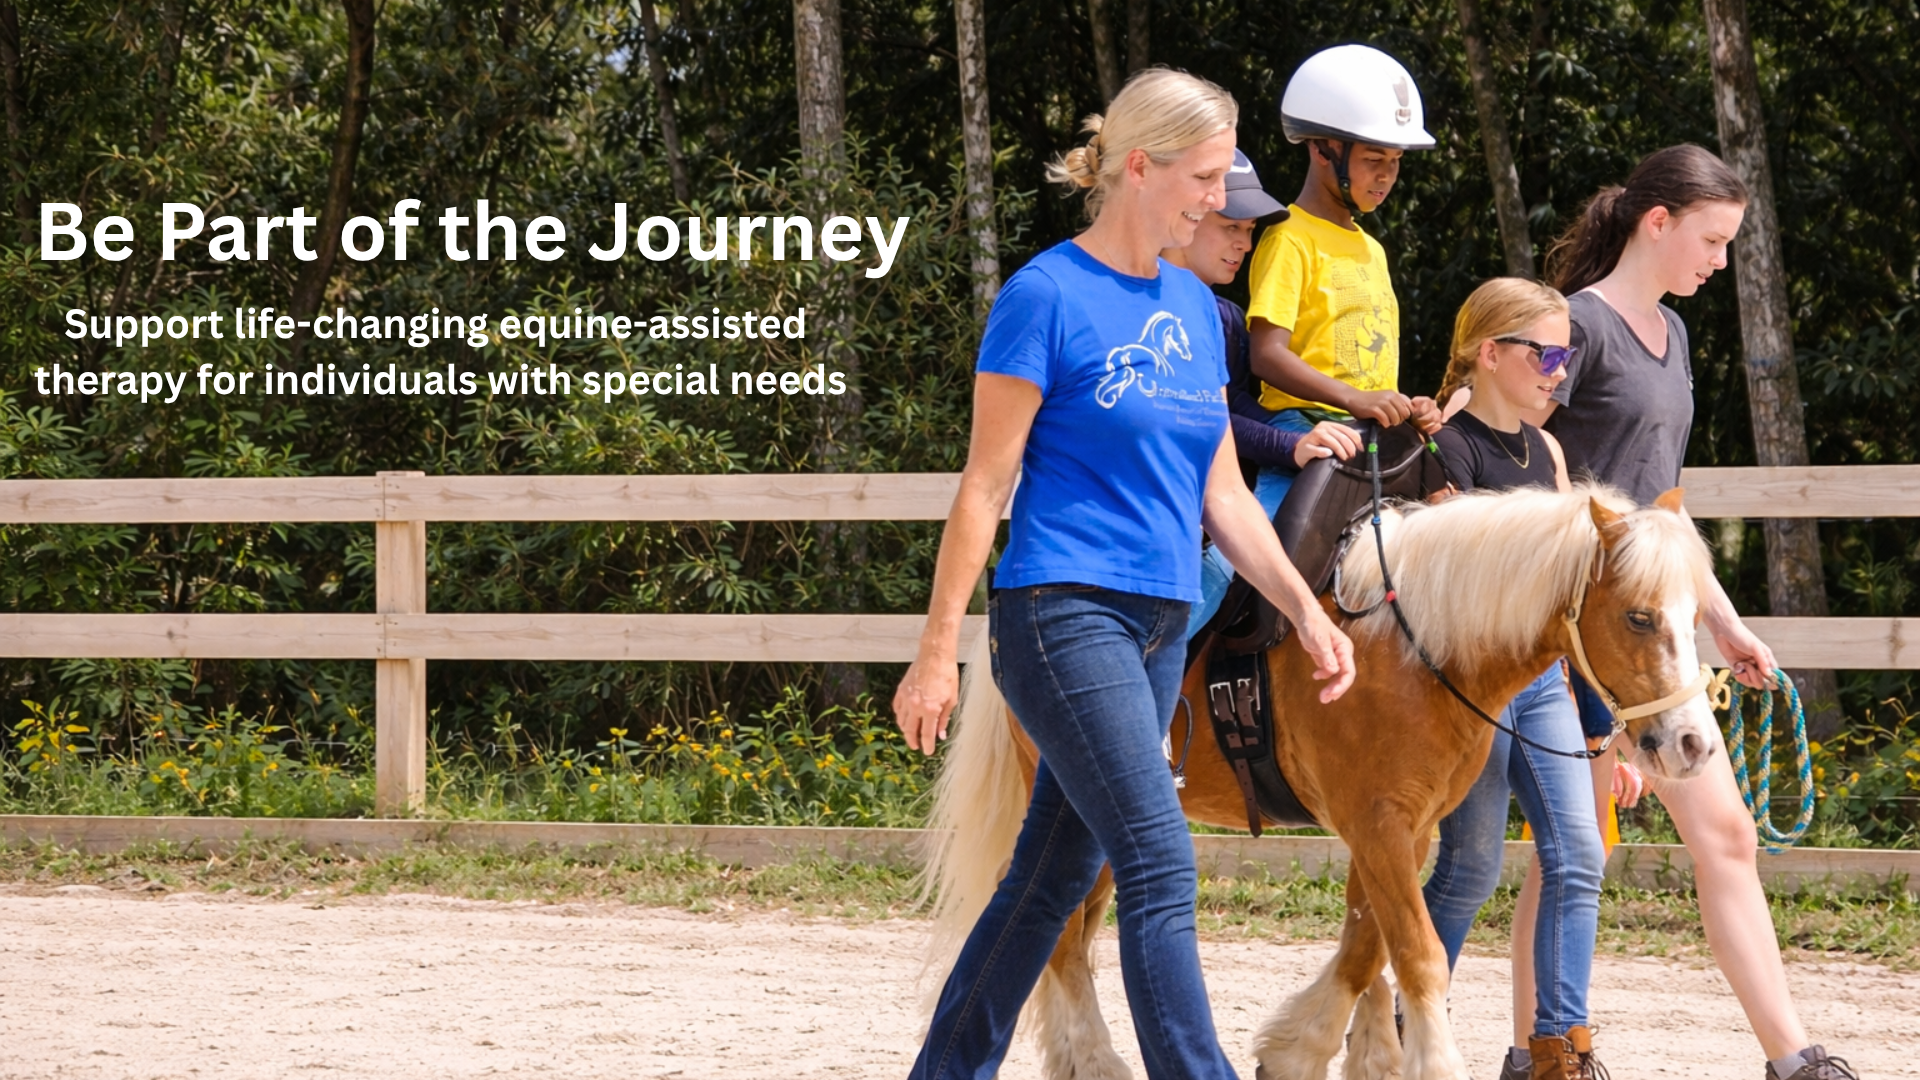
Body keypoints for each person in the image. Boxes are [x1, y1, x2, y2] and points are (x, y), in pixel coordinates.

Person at [891, 69, 1356, 1080]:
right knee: (1158, 857)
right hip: (1062, 613)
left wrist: (1305, 615)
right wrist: (934, 658)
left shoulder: (1193, 309)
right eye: (1202, 177)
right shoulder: (1045, 296)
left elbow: (1225, 498)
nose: (1216, 199)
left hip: (1158, 623)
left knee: (1049, 876)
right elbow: (983, 488)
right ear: (1139, 169)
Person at [1478, 144, 1858, 1080]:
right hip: (1579, 639)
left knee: (1715, 836)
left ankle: (1794, 1057)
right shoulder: (1577, 328)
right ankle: (1540, 1056)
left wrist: (1720, 621)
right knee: (1575, 849)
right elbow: (1491, 425)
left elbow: (1662, 507)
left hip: (1658, 633)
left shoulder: (1674, 336)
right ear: (1658, 222)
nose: (1720, 262)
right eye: (1712, 240)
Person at [1416, 278, 1613, 1080]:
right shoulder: (1445, 447)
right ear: (1490, 354)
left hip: (1539, 685)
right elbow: (1457, 589)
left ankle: (1558, 1048)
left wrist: (1597, 715)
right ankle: (1406, 1026)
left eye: (1567, 355)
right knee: (1467, 872)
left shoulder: (1551, 452)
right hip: (1472, 690)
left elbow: (1572, 595)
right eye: (1548, 353)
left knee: (1581, 854)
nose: (1560, 371)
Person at [1186, 44, 1441, 633]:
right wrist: (1355, 402)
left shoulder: (1374, 249)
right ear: (1325, 152)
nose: (1387, 175)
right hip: (1302, 430)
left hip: (1370, 434)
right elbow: (1266, 354)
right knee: (1234, 558)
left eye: (1396, 162)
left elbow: (1365, 364)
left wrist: (1404, 403)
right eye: (1374, 158)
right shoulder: (1287, 238)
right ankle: (1155, 652)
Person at [1160, 148, 1363, 638]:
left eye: (1250, 232)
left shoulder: (1227, 317)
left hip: (1201, 500)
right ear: (1186, 215)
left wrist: (1299, 432)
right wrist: (1289, 445)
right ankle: (1160, 648)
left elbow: (1231, 408)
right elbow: (1197, 418)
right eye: (1231, 227)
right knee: (1227, 565)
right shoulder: (1150, 306)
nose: (1244, 245)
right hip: (1162, 522)